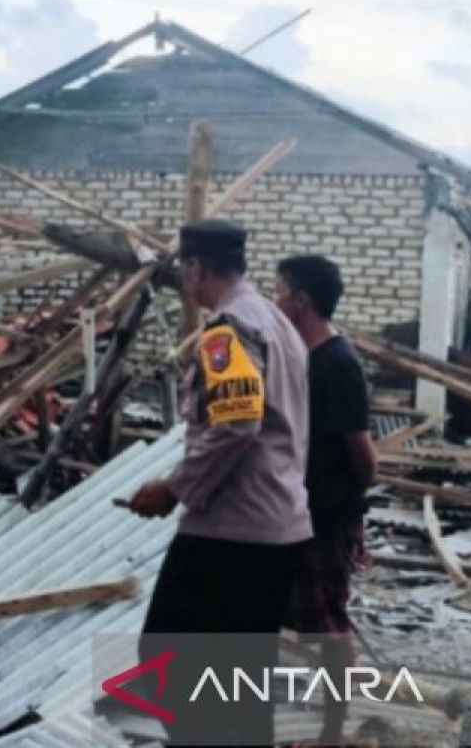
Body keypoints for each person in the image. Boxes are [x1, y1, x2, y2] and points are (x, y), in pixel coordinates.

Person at [127, 220, 313, 746]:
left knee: (166, 660)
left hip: (233, 530)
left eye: (185, 270)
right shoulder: (277, 322)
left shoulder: (228, 329)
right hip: (278, 525)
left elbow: (237, 422)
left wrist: (174, 487)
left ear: (194, 269)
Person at [275, 254, 377, 746]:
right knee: (295, 620)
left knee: (328, 626)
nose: (275, 301)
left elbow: (363, 456)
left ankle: (332, 733)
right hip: (292, 513)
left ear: (302, 301)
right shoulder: (303, 357)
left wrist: (351, 520)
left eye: (280, 292)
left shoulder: (338, 364)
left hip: (324, 517)